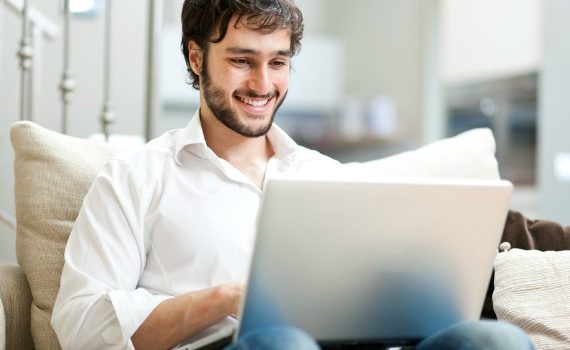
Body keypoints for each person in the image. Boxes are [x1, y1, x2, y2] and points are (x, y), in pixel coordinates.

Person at [51, 0, 534, 349]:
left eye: (277, 63)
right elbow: (79, 327)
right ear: (197, 59)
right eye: (242, 61)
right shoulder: (135, 179)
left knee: (494, 340)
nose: (263, 84)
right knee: (283, 342)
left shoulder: (327, 177)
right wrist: (226, 298)